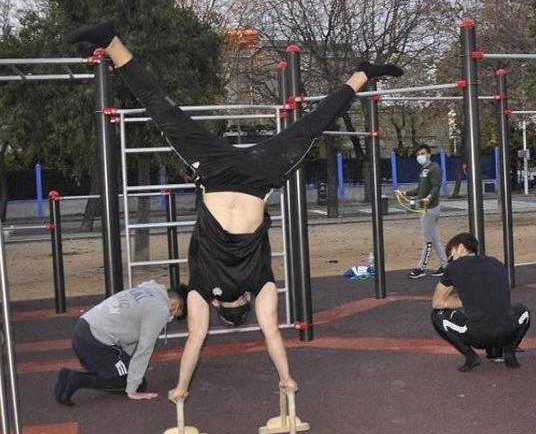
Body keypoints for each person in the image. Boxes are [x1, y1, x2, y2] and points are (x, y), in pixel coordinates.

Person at [67, 21, 402, 401]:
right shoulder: (253, 287)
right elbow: (265, 333)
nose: (229, 301)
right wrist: (282, 378)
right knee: (308, 124)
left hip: (228, 173)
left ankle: (112, 41)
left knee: (167, 111)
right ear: (237, 305)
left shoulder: (210, 292)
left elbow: (202, 337)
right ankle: (362, 74)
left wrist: (182, 387)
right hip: (251, 175)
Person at [54, 281, 188, 405]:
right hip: (94, 342)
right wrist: (132, 389)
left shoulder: (150, 288)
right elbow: (144, 349)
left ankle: (66, 377)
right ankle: (76, 379)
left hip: (84, 328)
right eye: (175, 315)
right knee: (137, 384)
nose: (171, 318)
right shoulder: (160, 310)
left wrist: (128, 364)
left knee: (132, 374)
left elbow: (130, 334)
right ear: (175, 305)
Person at [430, 232, 530, 371]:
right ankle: (509, 351)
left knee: (437, 315)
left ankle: (471, 356)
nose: (451, 261)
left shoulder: (454, 267)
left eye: (451, 256)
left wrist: (466, 299)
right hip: (507, 332)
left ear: (460, 248)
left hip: (478, 335)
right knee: (523, 310)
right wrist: (475, 298)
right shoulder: (496, 263)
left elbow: (437, 302)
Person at [405, 144, 447, 279]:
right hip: (424, 208)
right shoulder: (424, 169)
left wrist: (429, 198)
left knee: (427, 240)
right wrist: (405, 193)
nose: (420, 157)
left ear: (429, 154)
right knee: (434, 239)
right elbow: (420, 189)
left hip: (430, 208)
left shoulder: (434, 168)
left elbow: (436, 187)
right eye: (418, 154)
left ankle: (421, 268)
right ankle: (445, 265)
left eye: (422, 153)